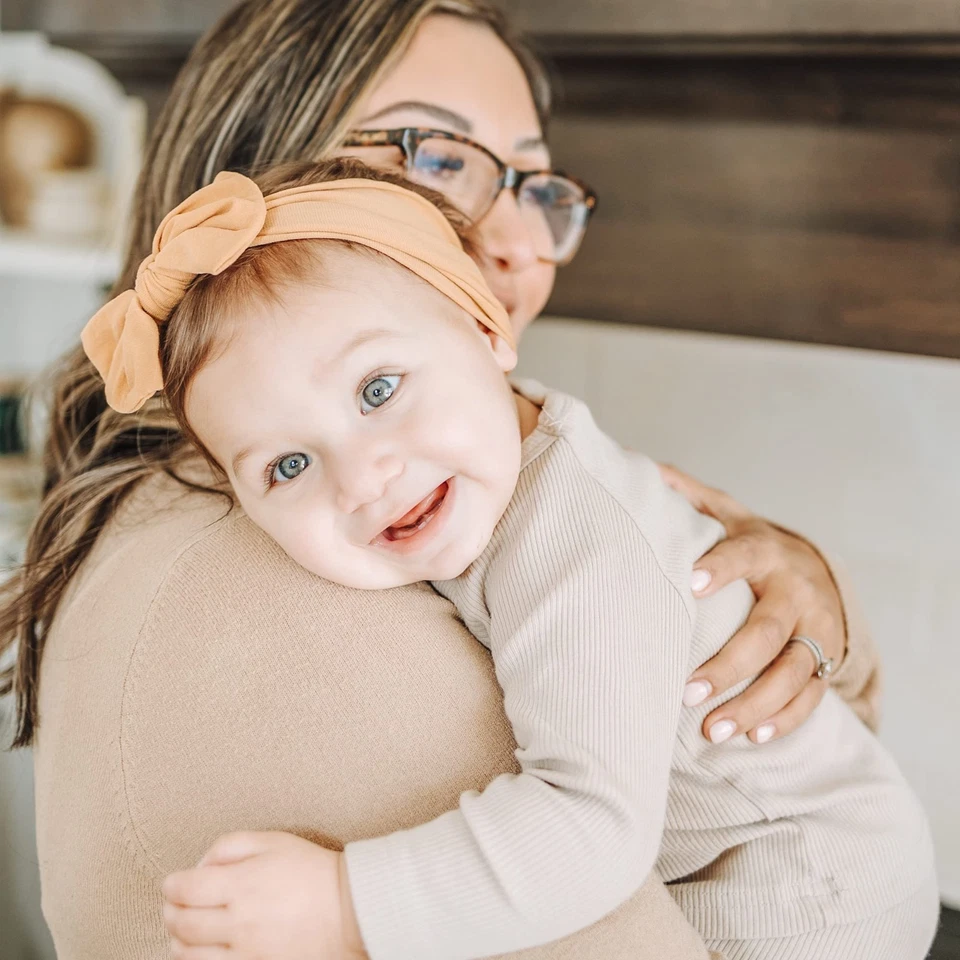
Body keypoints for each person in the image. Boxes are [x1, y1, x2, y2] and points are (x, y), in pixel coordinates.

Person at [0, 2, 885, 958]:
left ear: (482, 336)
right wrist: (353, 905)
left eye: (536, 183)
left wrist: (800, 604)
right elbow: (586, 850)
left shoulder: (496, 483)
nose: (517, 244)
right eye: (436, 156)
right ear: (257, 164)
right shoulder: (252, 589)